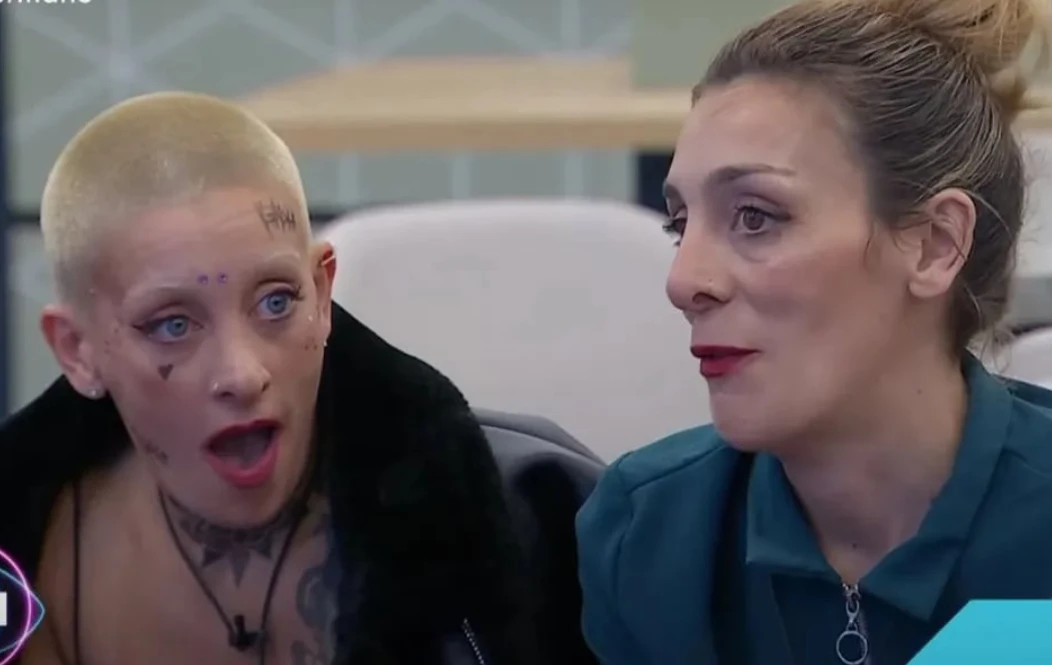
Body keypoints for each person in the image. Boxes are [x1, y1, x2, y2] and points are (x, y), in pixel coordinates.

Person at [0, 92, 601, 665]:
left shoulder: (538, 518)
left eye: (275, 302)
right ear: (77, 351)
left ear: (321, 293)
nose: (242, 374)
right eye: (173, 324)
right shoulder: (31, 569)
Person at [576, 0, 1052, 663]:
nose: (684, 281)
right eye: (681, 225)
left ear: (935, 244)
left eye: (755, 216)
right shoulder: (646, 535)